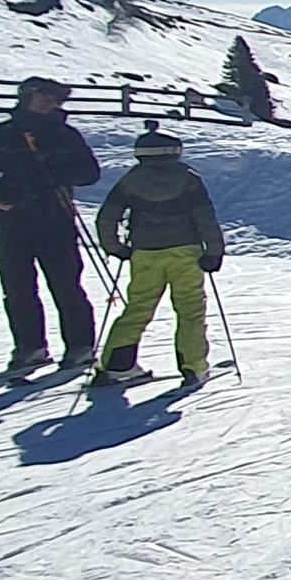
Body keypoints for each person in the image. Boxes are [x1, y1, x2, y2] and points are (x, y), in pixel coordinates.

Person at [0, 76, 102, 375]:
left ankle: (81, 347)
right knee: (17, 287)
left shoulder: (66, 135)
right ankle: (30, 348)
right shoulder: (0, 135)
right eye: (44, 97)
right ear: (27, 96)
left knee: (66, 285)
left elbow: (90, 173)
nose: (49, 103)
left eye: (55, 99)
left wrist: (59, 172)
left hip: (55, 217)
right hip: (12, 218)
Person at [90, 124, 224, 387]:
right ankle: (193, 366)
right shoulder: (188, 179)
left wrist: (115, 247)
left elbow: (106, 217)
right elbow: (205, 218)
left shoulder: (130, 180)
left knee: (138, 307)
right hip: (186, 252)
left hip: (144, 252)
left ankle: (117, 366)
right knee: (190, 310)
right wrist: (214, 252)